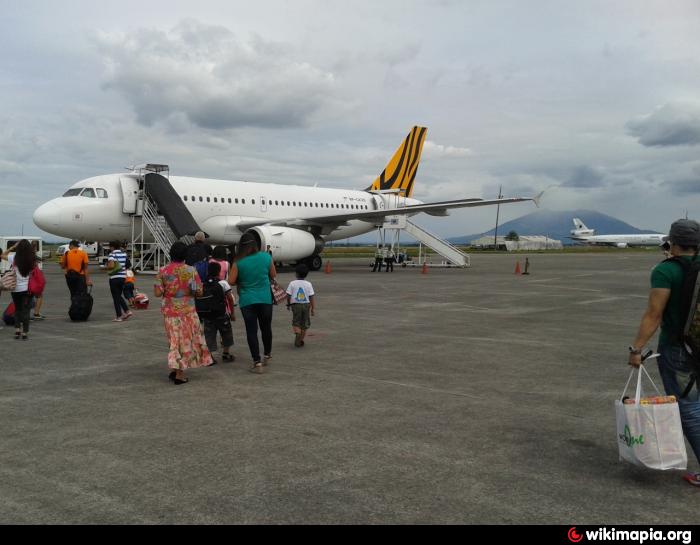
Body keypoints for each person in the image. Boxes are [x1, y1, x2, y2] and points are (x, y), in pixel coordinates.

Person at [628, 219, 700, 487]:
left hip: (679, 349)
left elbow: (654, 314)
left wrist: (637, 349)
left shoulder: (666, 271)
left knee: (690, 408)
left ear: (672, 241)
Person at [154, 241, 213, 385]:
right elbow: (199, 292)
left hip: (170, 312)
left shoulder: (163, 271)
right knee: (184, 341)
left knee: (174, 341)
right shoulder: (191, 270)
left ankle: (175, 371)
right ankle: (179, 374)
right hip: (188, 311)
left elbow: (157, 293)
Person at [228, 232, 277, 374]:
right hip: (265, 299)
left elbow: (230, 281)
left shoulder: (238, 262)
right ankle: (267, 355)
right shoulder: (266, 257)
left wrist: (242, 280)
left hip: (247, 300)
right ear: (256, 244)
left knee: (251, 331)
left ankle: (257, 363)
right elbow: (273, 275)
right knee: (266, 327)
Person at [197, 261, 235, 364]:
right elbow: (230, 299)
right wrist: (232, 313)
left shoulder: (202, 283)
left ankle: (210, 357)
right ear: (219, 272)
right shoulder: (222, 283)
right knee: (226, 333)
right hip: (221, 314)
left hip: (207, 315)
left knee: (209, 336)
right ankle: (226, 354)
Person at [1, 240, 38, 340]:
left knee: (17, 310)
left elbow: (2, 255)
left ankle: (17, 331)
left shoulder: (14, 258)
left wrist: (12, 247)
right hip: (28, 289)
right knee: (26, 311)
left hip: (16, 289)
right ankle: (25, 333)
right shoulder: (32, 259)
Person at [286, 263, 316, 347]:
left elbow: (288, 295)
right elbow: (311, 297)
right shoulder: (308, 284)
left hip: (295, 305)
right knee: (304, 324)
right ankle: (301, 339)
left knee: (296, 322)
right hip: (306, 305)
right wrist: (313, 308)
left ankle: (297, 333)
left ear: (296, 273)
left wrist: (288, 304)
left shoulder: (292, 283)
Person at [106, 241, 132, 322]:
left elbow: (111, 265)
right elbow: (127, 265)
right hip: (123, 277)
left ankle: (119, 316)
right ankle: (127, 311)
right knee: (118, 296)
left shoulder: (112, 254)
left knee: (116, 297)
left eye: (110, 247)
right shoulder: (124, 254)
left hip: (114, 278)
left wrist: (106, 266)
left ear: (112, 247)